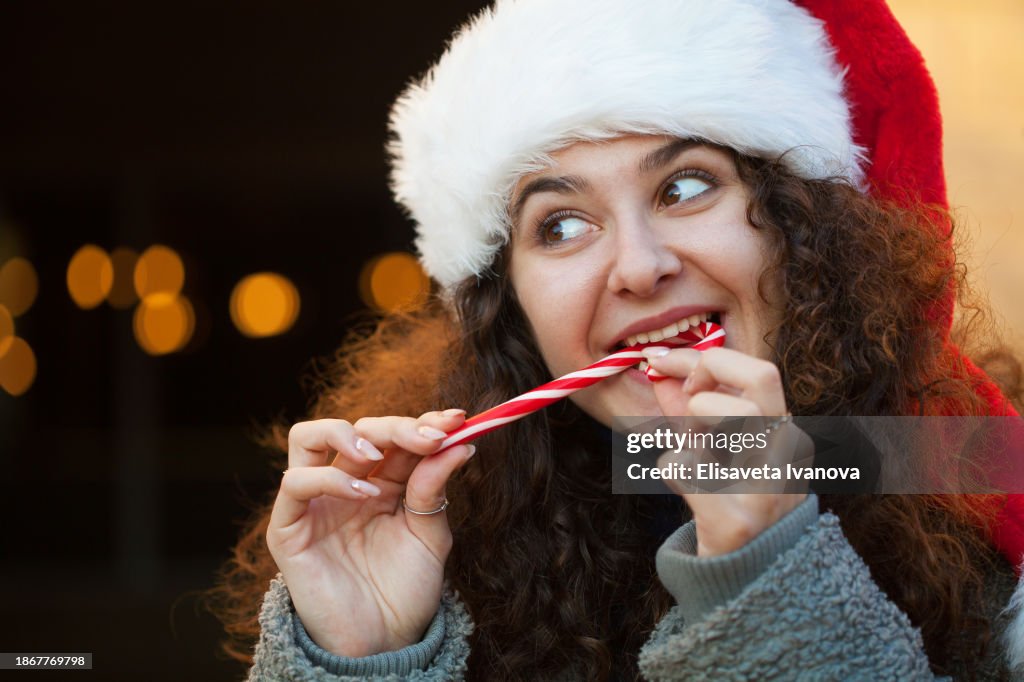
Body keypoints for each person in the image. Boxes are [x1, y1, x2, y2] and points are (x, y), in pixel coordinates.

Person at [211, 0, 1024, 679]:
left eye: (685, 185)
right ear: (511, 308)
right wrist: (365, 656)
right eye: (561, 225)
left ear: (803, 229)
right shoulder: (449, 534)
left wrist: (770, 575)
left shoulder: (976, 477)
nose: (638, 266)